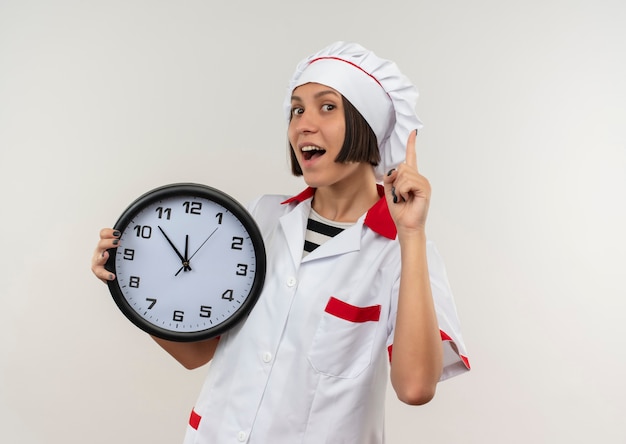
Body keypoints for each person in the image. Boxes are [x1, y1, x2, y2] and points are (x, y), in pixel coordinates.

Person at [92, 41, 470, 443]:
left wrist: (411, 234)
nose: (303, 124)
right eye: (296, 109)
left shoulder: (403, 252)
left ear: (367, 126)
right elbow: (198, 353)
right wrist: (130, 284)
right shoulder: (260, 218)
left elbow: (415, 388)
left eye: (327, 107)